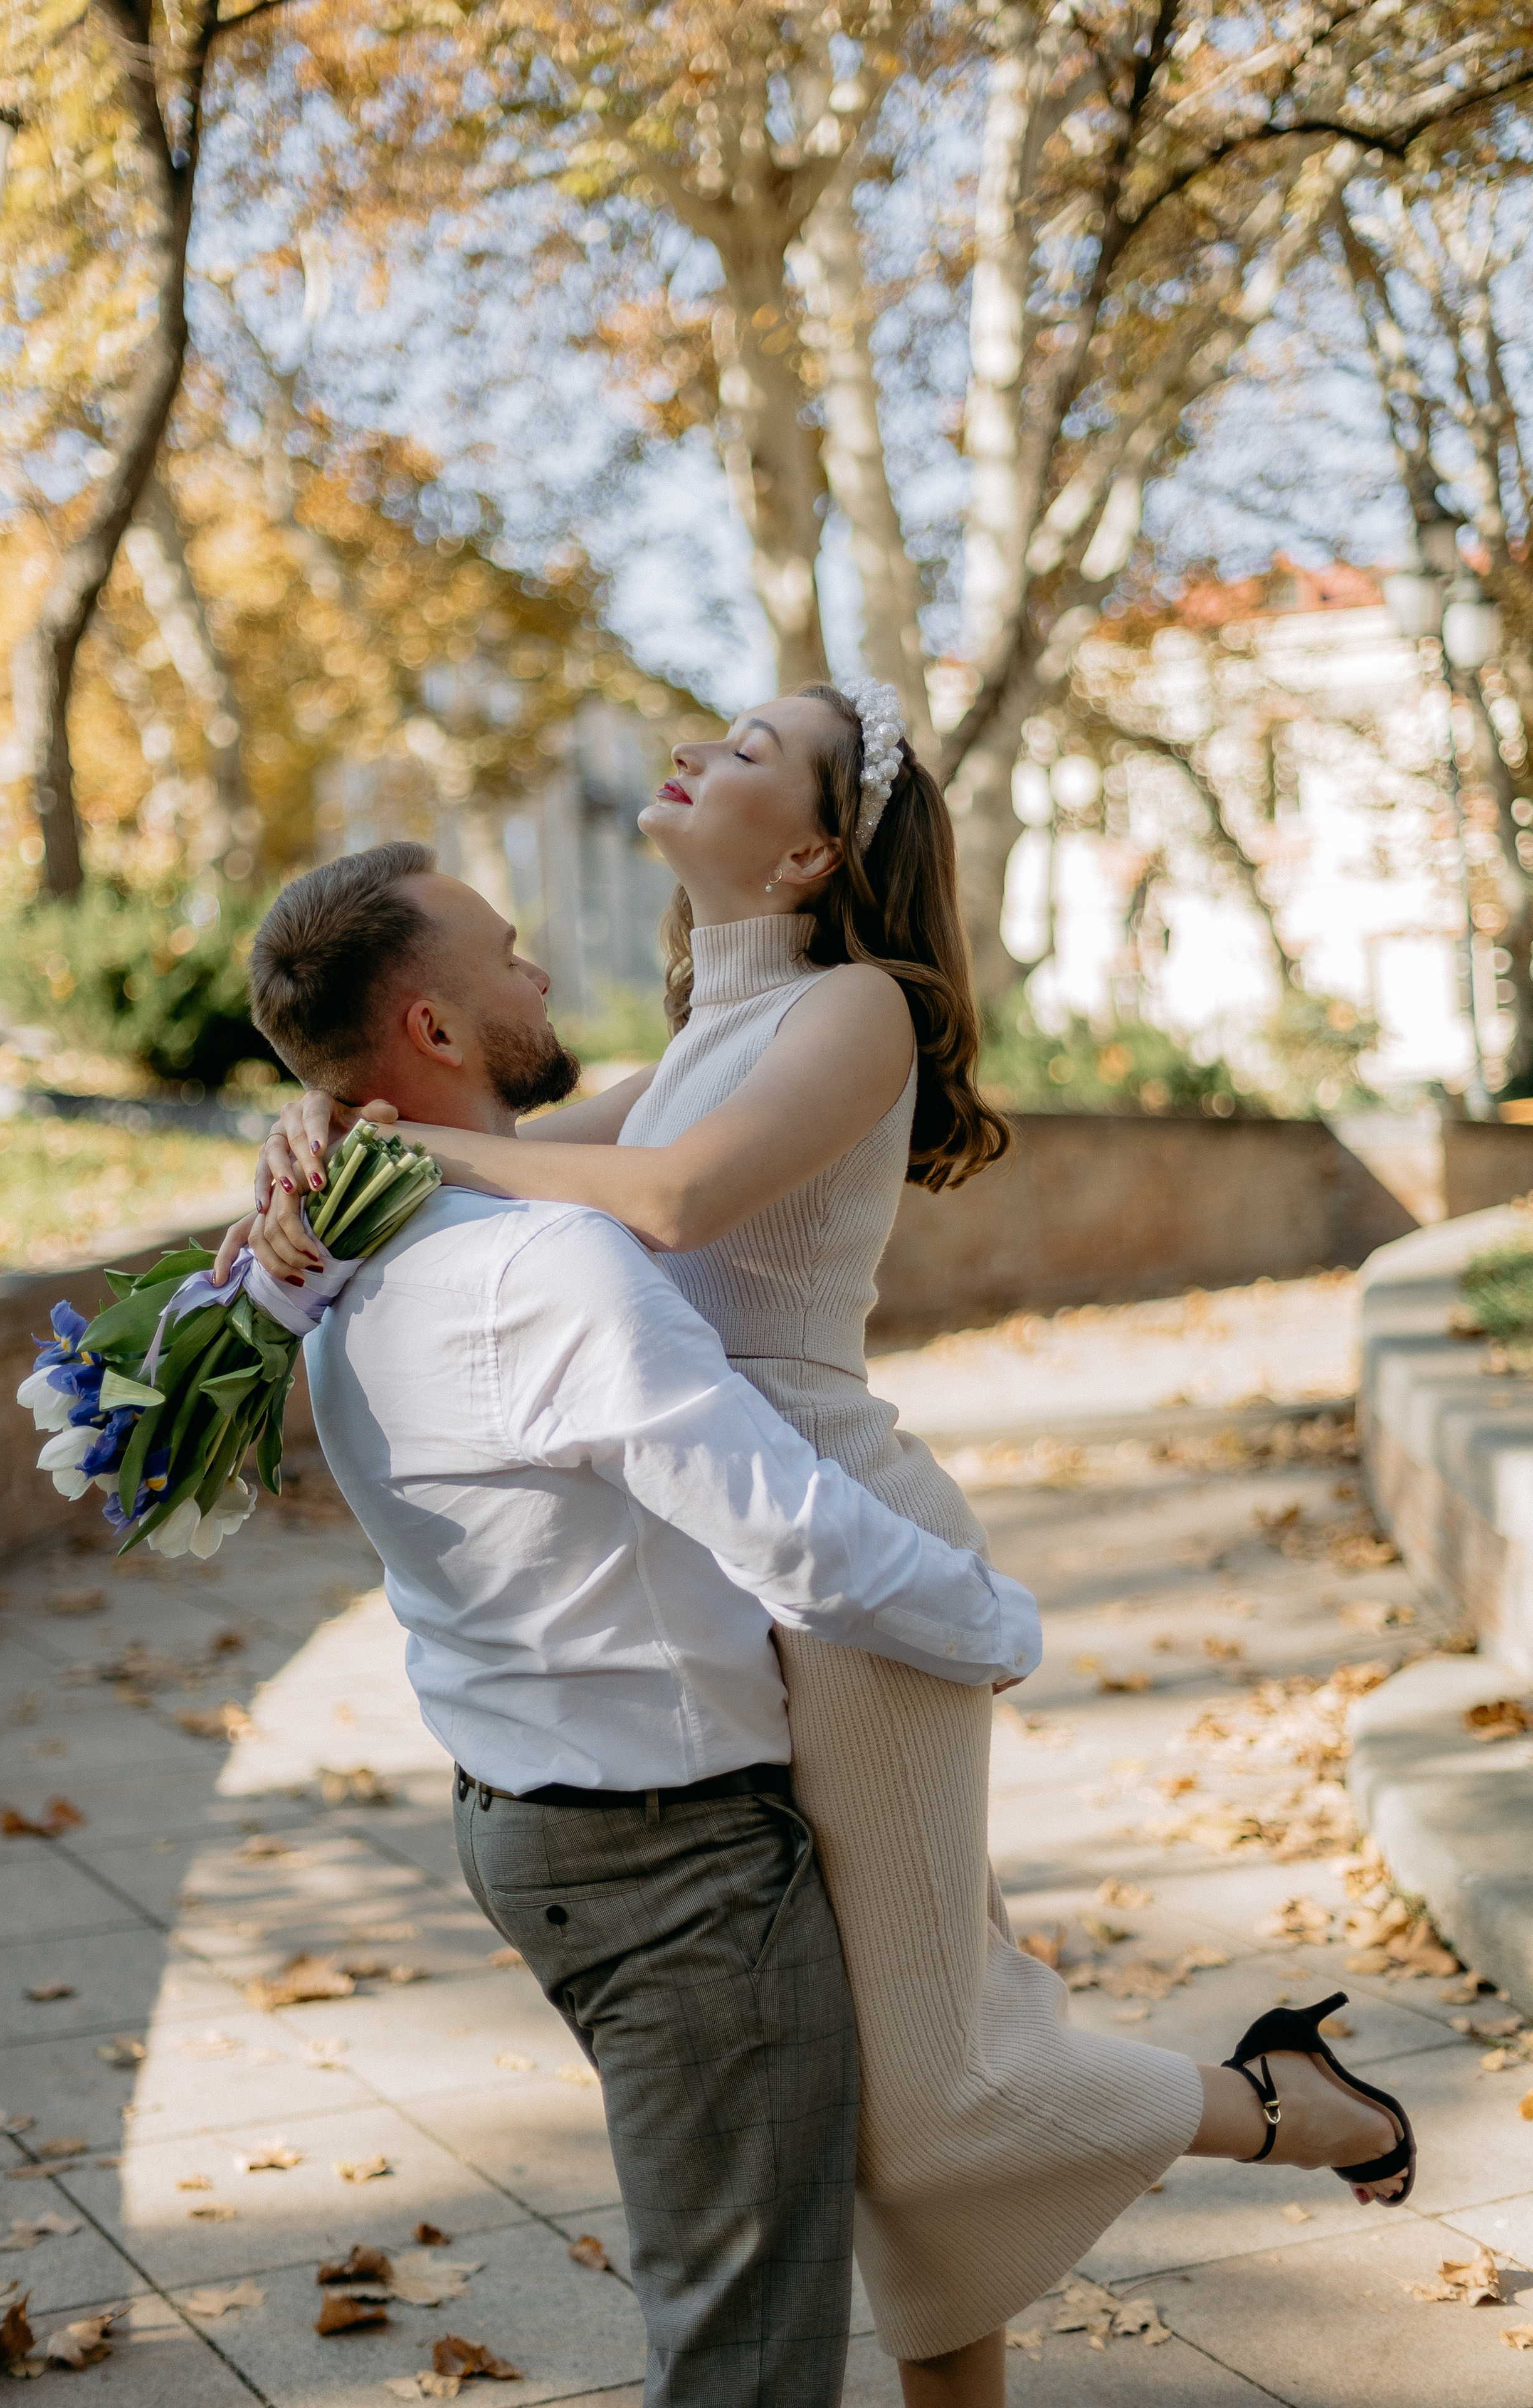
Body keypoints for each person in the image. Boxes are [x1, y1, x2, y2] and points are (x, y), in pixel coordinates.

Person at [226, 687, 1414, 2406]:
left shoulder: (857, 1008)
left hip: (841, 1547)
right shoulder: (697, 1032)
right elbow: (471, 1164)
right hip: (752, 1571)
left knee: (930, 2095)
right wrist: (324, 1153)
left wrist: (418, 1142)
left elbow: (677, 1201)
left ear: (809, 850)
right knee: (898, 2093)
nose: (698, 752)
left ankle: (1289, 2106)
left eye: (756, 753)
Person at [240, 843, 1045, 2408]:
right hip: (669, 1865)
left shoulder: (343, 1248)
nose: (538, 971)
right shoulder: (541, 1260)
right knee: (745, 2351)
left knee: (751, 2282)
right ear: (435, 1032)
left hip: (529, 1823)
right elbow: (791, 1538)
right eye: (506, 952)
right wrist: (998, 1624)